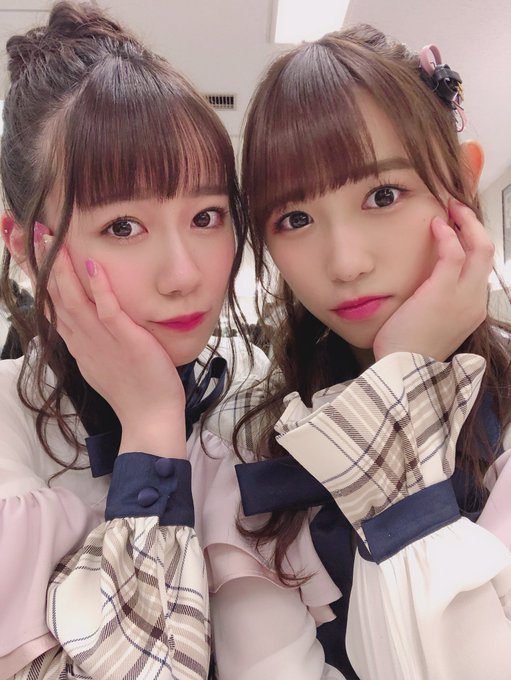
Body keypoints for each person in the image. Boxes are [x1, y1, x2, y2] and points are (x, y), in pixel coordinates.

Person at [0, 2, 277, 678]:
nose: (184, 276)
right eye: (123, 226)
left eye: (206, 216)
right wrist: (152, 426)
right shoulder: (8, 427)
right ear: (26, 247)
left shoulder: (255, 389)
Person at [230, 24, 511, 680]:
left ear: (463, 185)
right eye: (294, 219)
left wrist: (398, 387)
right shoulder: (248, 440)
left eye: (383, 196)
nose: (345, 263)